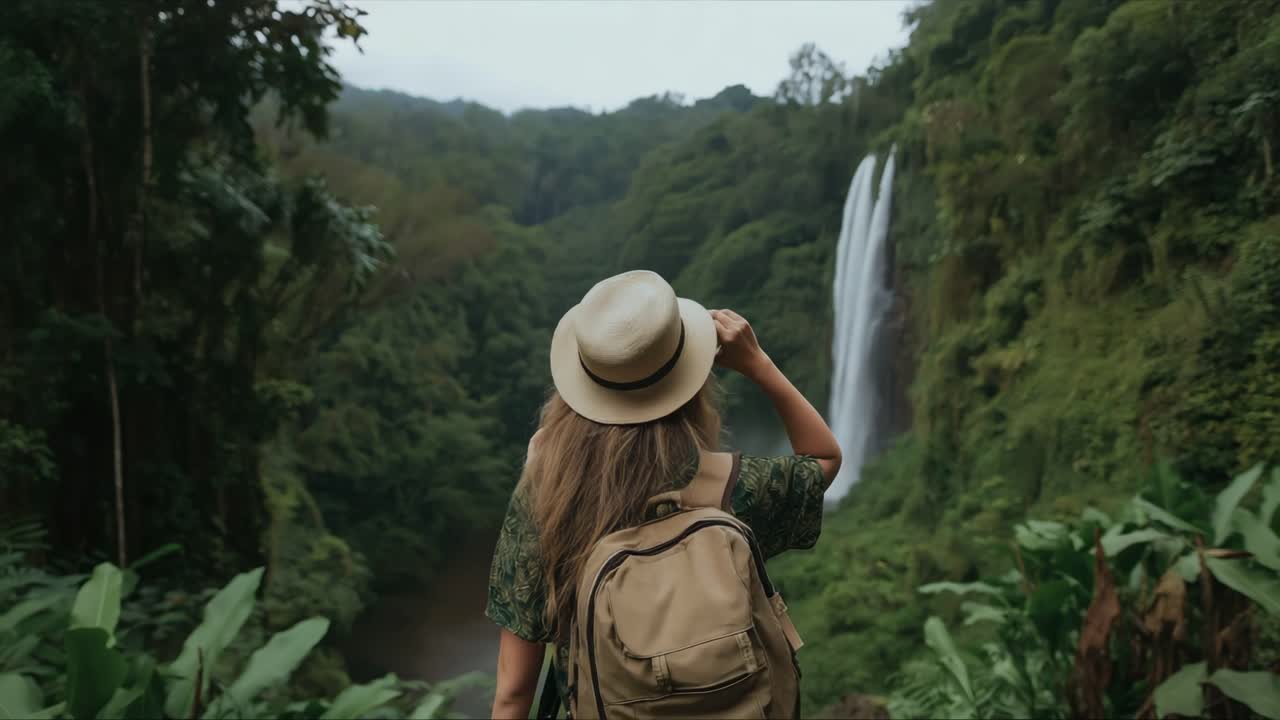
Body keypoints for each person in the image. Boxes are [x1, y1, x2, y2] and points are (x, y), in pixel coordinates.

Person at [486, 270, 841, 719]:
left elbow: (514, 692)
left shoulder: (548, 500)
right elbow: (824, 459)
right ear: (690, 381)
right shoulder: (730, 486)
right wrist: (757, 363)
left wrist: (536, 474)